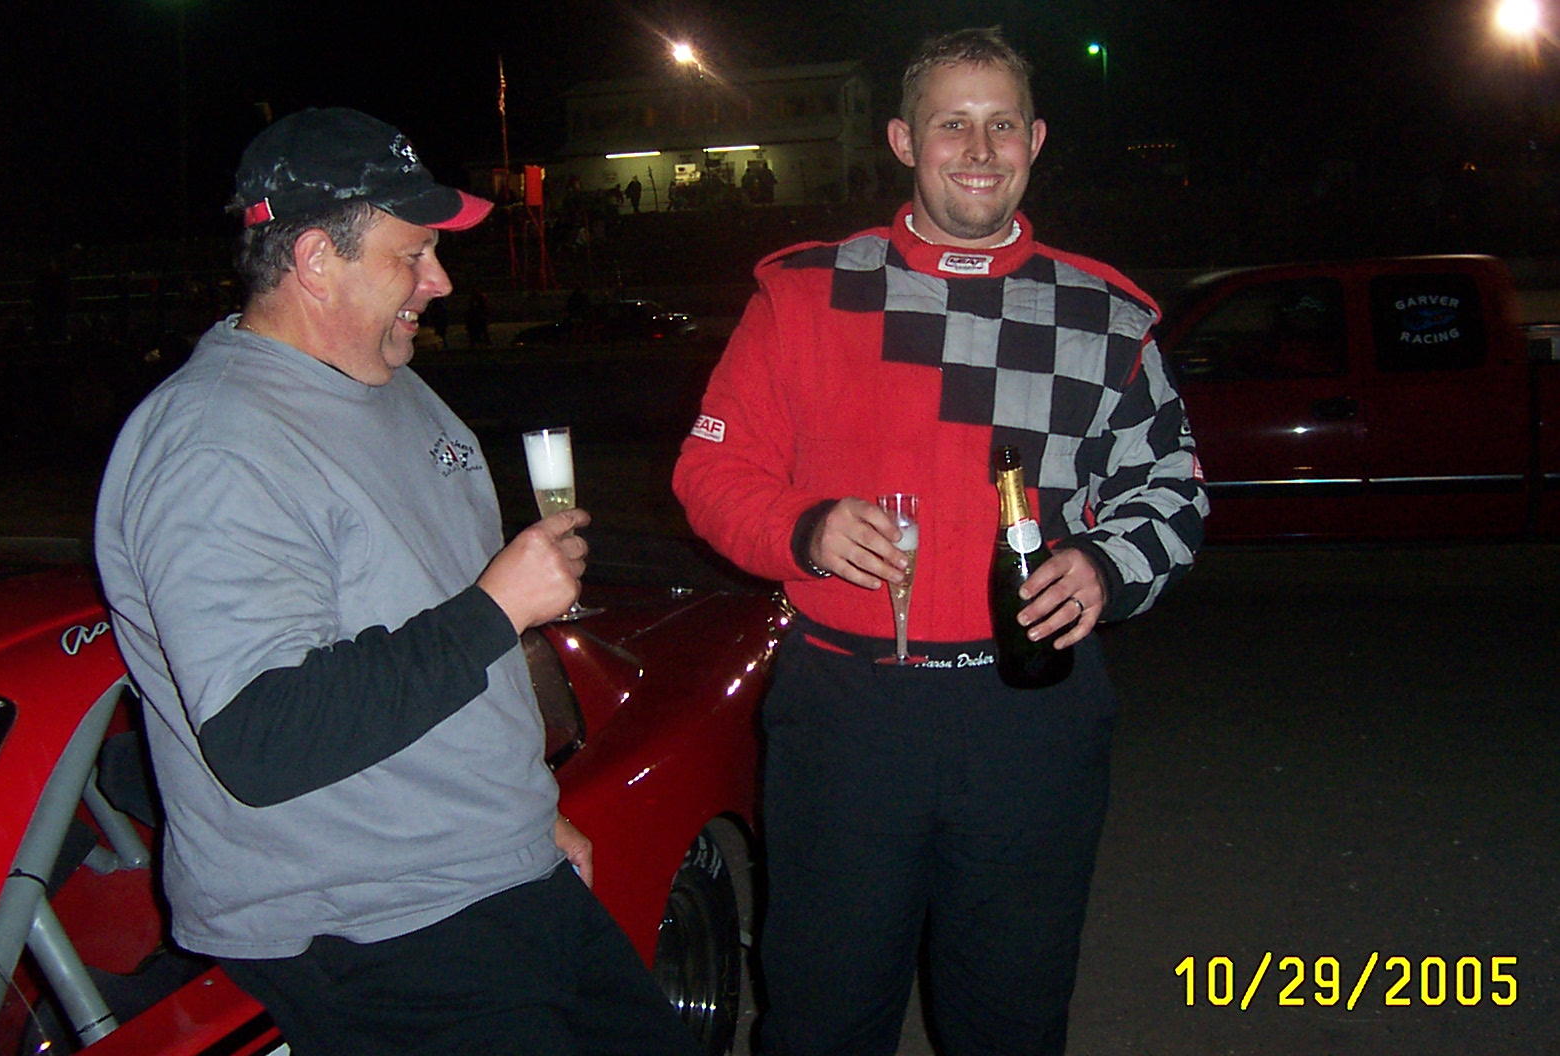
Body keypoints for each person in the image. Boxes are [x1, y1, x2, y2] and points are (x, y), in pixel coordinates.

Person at [95, 107, 697, 1056]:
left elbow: (439, 642)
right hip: (366, 921)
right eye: (412, 254)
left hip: (487, 872)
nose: (441, 280)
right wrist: (498, 606)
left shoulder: (397, 386)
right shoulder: (217, 443)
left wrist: (524, 814)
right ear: (314, 260)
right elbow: (264, 737)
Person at [673, 27, 1207, 1056]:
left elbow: (1172, 493)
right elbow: (709, 474)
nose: (978, 148)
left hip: (1032, 719)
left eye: (1002, 124)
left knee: (1012, 1019)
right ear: (903, 142)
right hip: (847, 715)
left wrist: (1105, 565)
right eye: (951, 124)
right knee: (823, 1020)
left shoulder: (1106, 314)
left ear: (1035, 141)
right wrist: (805, 528)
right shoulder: (805, 293)